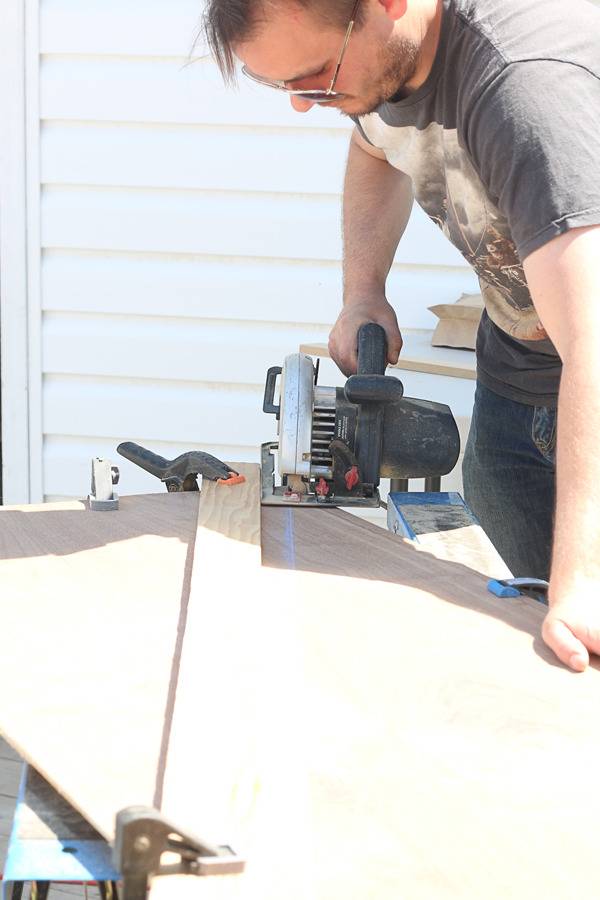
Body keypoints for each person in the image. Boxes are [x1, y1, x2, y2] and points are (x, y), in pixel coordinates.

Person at [203, 0, 600, 671]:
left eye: (316, 78)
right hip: (518, 378)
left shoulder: (526, 88)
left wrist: (585, 579)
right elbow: (374, 147)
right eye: (285, 87)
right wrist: (363, 290)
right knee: (527, 634)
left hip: (583, 386)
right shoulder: (385, 62)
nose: (305, 104)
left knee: (576, 633)